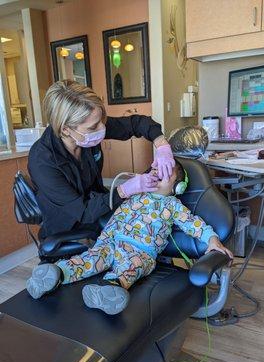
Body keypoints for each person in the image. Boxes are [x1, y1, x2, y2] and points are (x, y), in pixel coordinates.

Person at [26, 161, 233, 315]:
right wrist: (129, 188)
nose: (157, 172)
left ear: (177, 187)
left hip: (140, 252)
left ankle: (110, 289)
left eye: (165, 173)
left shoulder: (173, 205)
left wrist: (212, 239)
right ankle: (56, 274)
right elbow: (107, 207)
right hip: (109, 242)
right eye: (154, 170)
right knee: (88, 260)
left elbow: (194, 224)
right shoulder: (135, 194)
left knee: (132, 269)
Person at [28, 80, 175, 239]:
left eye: (102, 120)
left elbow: (137, 123)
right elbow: (82, 212)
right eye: (93, 127)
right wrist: (123, 190)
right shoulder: (42, 161)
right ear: (65, 129)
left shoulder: (89, 127)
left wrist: (162, 145)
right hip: (70, 223)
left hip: (98, 203)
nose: (102, 129)